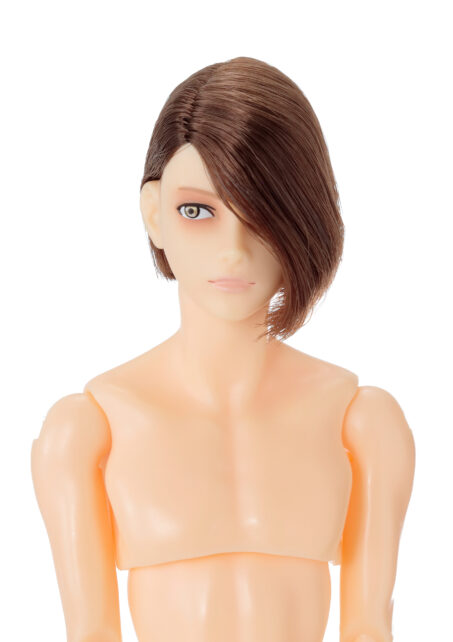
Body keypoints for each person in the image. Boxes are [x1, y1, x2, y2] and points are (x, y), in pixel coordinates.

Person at [31, 56, 416, 642]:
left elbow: (368, 629)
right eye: (197, 211)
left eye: (261, 211)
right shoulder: (89, 429)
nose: (232, 249)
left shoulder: (361, 422)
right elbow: (92, 635)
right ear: (154, 215)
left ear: (303, 218)